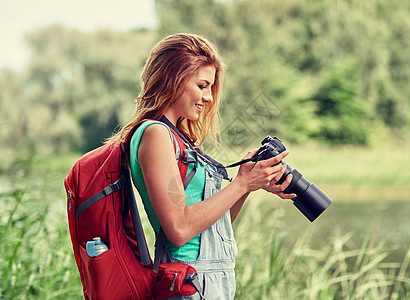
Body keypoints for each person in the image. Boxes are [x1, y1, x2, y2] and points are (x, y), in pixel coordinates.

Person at [109, 33, 295, 299]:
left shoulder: (178, 138)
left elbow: (214, 225)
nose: (208, 97)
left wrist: (247, 184)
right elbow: (179, 229)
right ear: (173, 79)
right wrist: (242, 184)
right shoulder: (155, 135)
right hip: (190, 283)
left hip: (209, 280)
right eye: (202, 85)